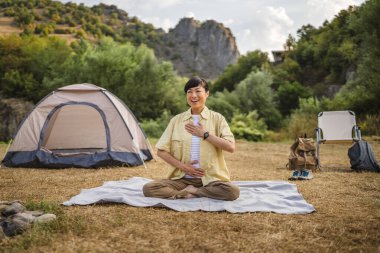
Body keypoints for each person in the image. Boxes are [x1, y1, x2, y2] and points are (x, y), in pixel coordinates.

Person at [143, 76, 240, 201]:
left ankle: (194, 191)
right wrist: (184, 167)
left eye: (198, 91)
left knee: (232, 192)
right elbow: (161, 151)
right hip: (182, 179)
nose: (193, 95)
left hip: (211, 180)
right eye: (189, 92)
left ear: (207, 94)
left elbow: (230, 147)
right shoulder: (176, 120)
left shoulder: (218, 119)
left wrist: (205, 134)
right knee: (149, 188)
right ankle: (187, 192)